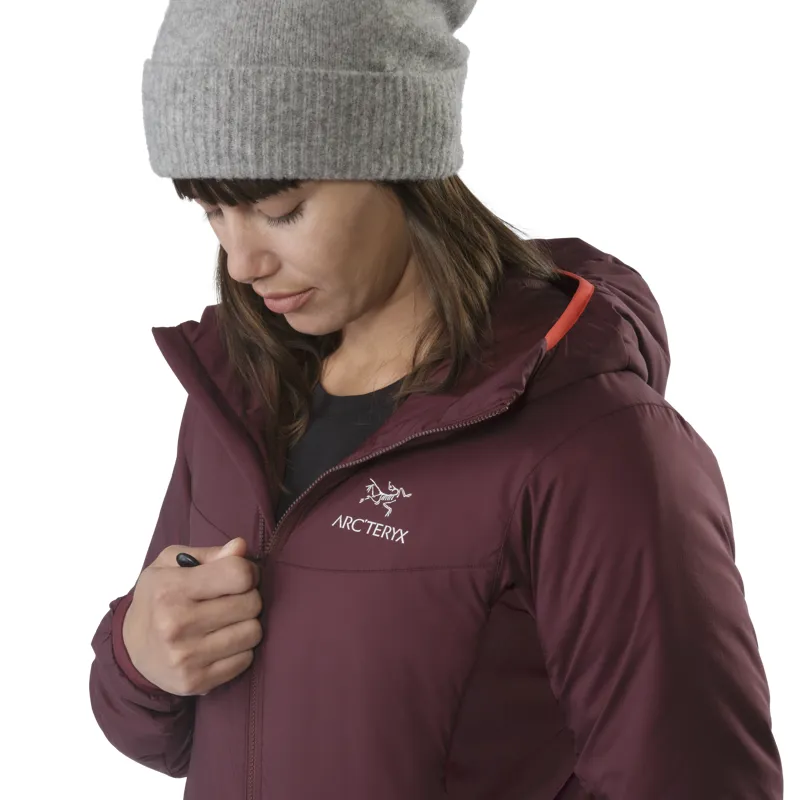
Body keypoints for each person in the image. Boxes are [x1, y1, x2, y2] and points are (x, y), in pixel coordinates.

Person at [88, 1, 784, 798]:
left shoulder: (591, 445)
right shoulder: (240, 397)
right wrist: (139, 659)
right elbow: (164, 733)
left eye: (281, 209)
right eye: (213, 210)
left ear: (402, 156)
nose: (242, 262)